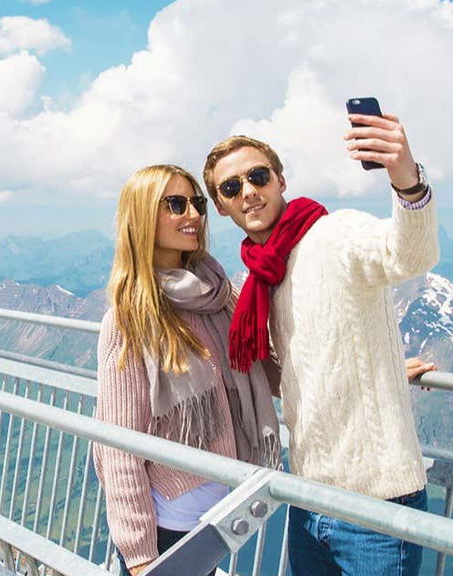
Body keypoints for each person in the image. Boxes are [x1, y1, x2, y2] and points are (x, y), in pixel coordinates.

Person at [201, 109, 439, 575]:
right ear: (224, 207)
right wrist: (379, 367)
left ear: (280, 180)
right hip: (308, 497)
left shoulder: (333, 234)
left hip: (378, 502)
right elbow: (290, 368)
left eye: (258, 176)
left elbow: (410, 254)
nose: (248, 191)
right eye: (231, 188)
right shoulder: (262, 276)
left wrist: (407, 179)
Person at [93, 165, 283, 576]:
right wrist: (141, 557)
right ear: (143, 216)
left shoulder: (219, 295)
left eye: (197, 203)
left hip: (219, 517)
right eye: (175, 205)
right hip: (168, 530)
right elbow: (118, 447)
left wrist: (377, 371)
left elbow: (268, 368)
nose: (194, 216)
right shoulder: (129, 320)